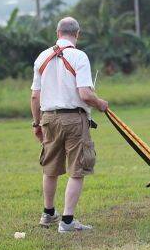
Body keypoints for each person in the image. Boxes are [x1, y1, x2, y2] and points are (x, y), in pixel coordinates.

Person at [30, 17, 108, 232]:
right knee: (77, 169)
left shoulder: (42, 57)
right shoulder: (79, 56)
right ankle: (67, 221)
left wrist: (36, 124)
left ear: (57, 33)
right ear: (77, 34)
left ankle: (48, 214)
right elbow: (85, 94)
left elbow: (35, 97)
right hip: (74, 119)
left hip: (48, 118)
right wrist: (100, 103)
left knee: (50, 167)